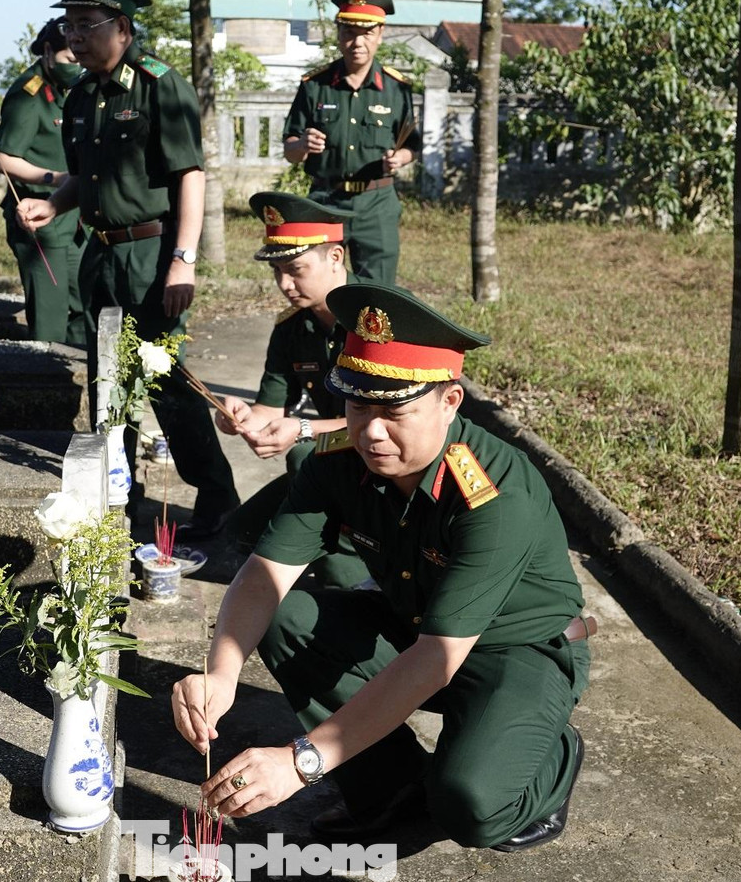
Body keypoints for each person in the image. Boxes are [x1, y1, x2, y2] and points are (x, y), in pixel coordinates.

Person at [171, 283, 594, 851]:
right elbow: (264, 572)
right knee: (283, 616)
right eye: (358, 405)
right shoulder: (339, 461)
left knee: (472, 808)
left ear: (449, 402)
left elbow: (437, 660)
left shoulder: (492, 496)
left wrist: (300, 762)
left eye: (395, 410)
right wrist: (221, 673)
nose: (371, 431)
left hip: (515, 649)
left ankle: (551, 753)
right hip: (417, 626)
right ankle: (394, 796)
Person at [16, 0, 239, 537]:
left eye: (86, 23)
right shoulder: (81, 96)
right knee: (106, 383)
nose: (74, 36)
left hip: (152, 253)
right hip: (102, 257)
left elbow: (190, 174)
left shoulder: (161, 87)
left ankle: (218, 500)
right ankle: (121, 500)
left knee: (163, 379)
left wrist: (183, 263)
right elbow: (83, 177)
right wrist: (53, 204)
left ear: (122, 25)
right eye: (69, 25)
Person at [213, 190, 365, 588]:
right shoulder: (292, 328)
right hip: (338, 455)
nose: (285, 283)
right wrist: (240, 415)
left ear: (336, 257)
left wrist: (303, 430)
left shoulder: (378, 320)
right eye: (277, 271)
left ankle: (359, 573)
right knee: (240, 535)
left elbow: (386, 422)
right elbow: (269, 409)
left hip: (389, 460)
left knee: (303, 456)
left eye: (296, 269)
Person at [282, 0, 421, 288]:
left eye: (366, 33)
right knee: (318, 289)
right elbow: (289, 148)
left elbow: (412, 145)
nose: (357, 42)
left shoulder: (397, 89)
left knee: (377, 296)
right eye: (349, 32)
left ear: (380, 35)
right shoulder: (314, 85)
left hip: (377, 205)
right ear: (338, 34)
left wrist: (400, 158)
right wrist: (303, 144)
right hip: (325, 203)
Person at [0, 20, 87, 346]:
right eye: (69, 59)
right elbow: (1, 159)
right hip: (37, 220)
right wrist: (56, 178)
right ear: (47, 52)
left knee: (85, 305)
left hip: (75, 220)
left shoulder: (73, 90)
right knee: (50, 314)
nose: (76, 65)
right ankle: (47, 387)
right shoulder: (29, 94)